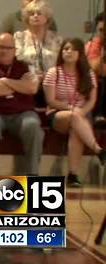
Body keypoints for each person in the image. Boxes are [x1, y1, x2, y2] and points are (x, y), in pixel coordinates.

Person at [0, 33, 43, 186]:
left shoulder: (25, 66)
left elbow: (32, 87)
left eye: (7, 48)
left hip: (21, 113)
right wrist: (19, 86)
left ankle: (32, 173)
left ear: (14, 50)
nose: (3, 51)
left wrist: (5, 82)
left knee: (32, 125)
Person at [43, 38, 106, 187]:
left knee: (76, 131)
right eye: (65, 49)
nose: (68, 52)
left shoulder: (88, 74)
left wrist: (81, 112)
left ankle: (73, 175)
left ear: (80, 53)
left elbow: (92, 100)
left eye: (72, 49)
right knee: (73, 117)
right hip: (58, 113)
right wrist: (73, 110)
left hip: (82, 115)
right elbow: (51, 100)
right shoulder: (54, 72)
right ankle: (98, 149)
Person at [14, 0, 63, 107]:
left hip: (52, 84)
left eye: (39, 13)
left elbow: (61, 63)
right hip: (27, 84)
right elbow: (17, 60)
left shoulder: (56, 39)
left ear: (47, 18)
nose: (35, 16)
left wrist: (48, 76)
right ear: (27, 18)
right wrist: (35, 75)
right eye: (31, 14)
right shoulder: (19, 37)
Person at [85, 12, 106, 125]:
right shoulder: (94, 44)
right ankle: (99, 116)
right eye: (101, 30)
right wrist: (102, 53)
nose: (103, 34)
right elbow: (95, 68)